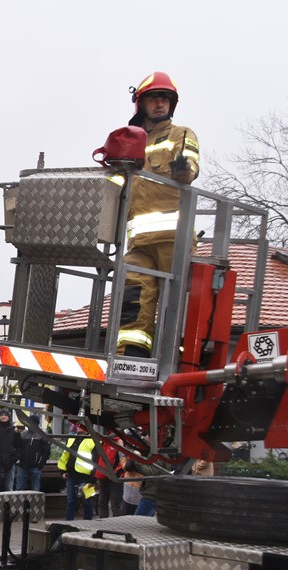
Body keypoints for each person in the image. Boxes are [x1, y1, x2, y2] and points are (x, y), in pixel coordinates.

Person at [117, 71, 200, 358]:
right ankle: (132, 354)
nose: (160, 104)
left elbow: (190, 167)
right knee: (134, 296)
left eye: (165, 99)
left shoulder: (181, 134)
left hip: (171, 238)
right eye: (154, 98)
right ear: (141, 104)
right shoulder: (129, 140)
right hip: (138, 241)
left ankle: (175, 358)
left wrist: (183, 169)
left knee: (174, 302)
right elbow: (116, 183)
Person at [59, 424, 96, 520]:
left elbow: (96, 461)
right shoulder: (71, 438)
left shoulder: (93, 440)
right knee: (71, 501)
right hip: (71, 475)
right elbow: (65, 456)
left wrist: (93, 479)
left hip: (86, 477)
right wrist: (63, 471)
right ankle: (68, 523)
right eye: (78, 425)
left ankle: (88, 524)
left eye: (81, 425)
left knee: (87, 501)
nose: (78, 427)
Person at [15, 416, 50, 492]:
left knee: (35, 490)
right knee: (19, 489)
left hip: (36, 467)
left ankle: (36, 504)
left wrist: (40, 464)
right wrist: (17, 435)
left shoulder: (42, 435)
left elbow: (46, 451)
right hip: (23, 465)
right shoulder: (23, 434)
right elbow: (17, 446)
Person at [94, 436, 125, 518]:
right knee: (104, 503)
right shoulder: (105, 441)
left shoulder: (118, 442)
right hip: (105, 476)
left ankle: (115, 525)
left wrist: (117, 473)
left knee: (114, 505)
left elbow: (123, 460)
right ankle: (105, 523)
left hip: (113, 477)